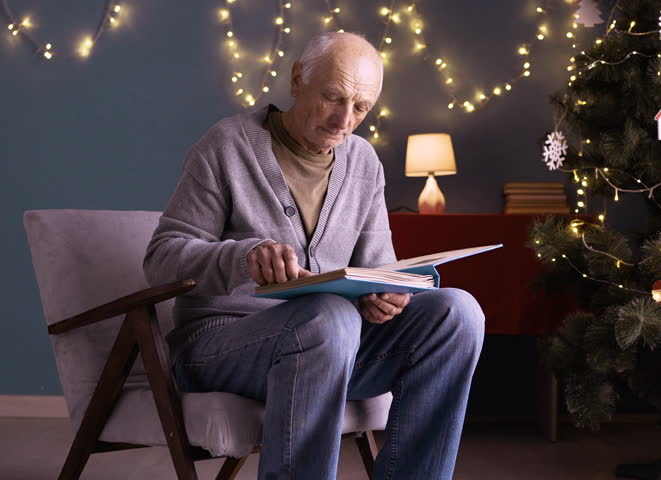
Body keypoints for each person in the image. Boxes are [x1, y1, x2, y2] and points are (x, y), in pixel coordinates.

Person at [143, 31, 484, 480]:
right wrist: (243, 258)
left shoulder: (362, 162)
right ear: (297, 79)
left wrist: (384, 297)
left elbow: (378, 268)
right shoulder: (226, 145)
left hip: (331, 345)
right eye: (332, 97)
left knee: (458, 312)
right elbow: (161, 259)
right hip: (220, 348)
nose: (344, 120)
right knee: (326, 316)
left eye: (360, 108)